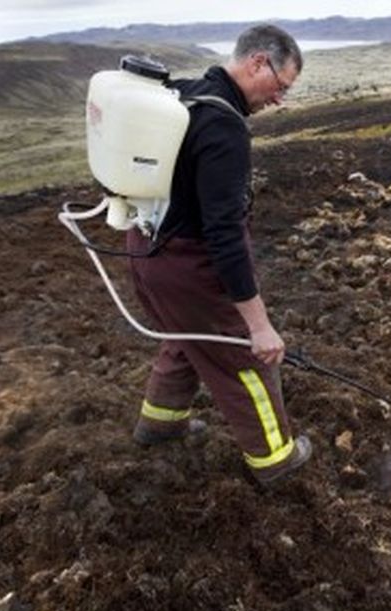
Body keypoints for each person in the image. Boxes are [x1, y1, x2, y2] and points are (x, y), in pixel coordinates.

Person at [126, 25, 310, 486]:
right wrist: (258, 324)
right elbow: (225, 237)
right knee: (246, 359)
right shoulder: (224, 126)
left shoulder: (184, 94)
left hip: (145, 250)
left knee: (187, 336)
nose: (279, 100)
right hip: (188, 266)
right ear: (257, 64)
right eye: (281, 87)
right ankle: (275, 460)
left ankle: (160, 424)